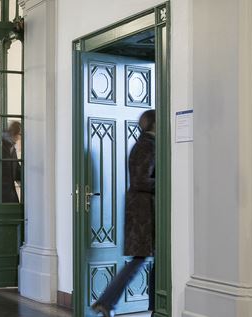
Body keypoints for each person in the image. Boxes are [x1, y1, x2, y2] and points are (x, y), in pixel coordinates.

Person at [91, 110, 156, 316]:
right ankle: (109, 301)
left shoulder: (144, 144)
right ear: (156, 124)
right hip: (144, 214)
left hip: (143, 212)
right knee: (143, 260)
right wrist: (167, 180)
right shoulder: (148, 146)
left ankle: (108, 301)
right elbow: (140, 180)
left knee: (143, 260)